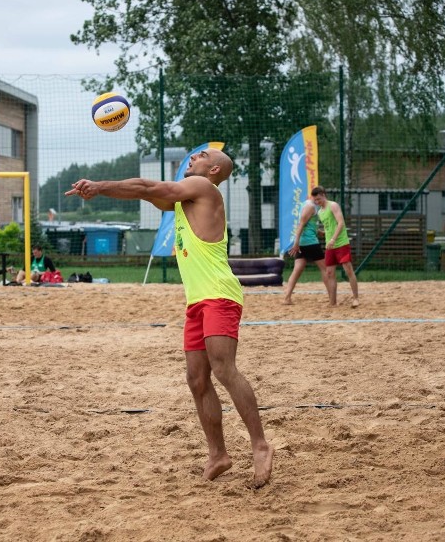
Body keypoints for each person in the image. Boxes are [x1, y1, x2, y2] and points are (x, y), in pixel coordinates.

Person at [66, 147, 274, 488]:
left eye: (202, 156)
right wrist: (109, 190)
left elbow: (149, 188)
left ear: (213, 171)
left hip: (219, 295)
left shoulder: (205, 189)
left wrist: (99, 186)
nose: (193, 157)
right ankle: (218, 454)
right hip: (196, 301)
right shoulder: (183, 200)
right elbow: (148, 194)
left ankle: (260, 444)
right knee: (196, 379)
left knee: (223, 369)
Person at [312, 186, 360, 307]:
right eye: (315, 200)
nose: (317, 202)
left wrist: (333, 238)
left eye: (319, 199)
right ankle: (332, 302)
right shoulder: (320, 212)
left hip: (341, 243)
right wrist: (322, 233)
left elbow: (340, 223)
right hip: (330, 246)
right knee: (329, 273)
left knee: (348, 269)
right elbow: (329, 227)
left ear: (323, 194)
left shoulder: (333, 205)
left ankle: (356, 298)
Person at [283, 187, 328, 305]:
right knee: (325, 269)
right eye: (318, 198)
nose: (319, 201)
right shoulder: (310, 207)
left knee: (297, 270)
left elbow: (308, 225)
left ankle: (287, 298)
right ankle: (332, 297)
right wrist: (295, 243)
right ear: (319, 195)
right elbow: (301, 225)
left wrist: (320, 232)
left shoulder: (306, 204)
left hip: (304, 242)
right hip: (310, 243)